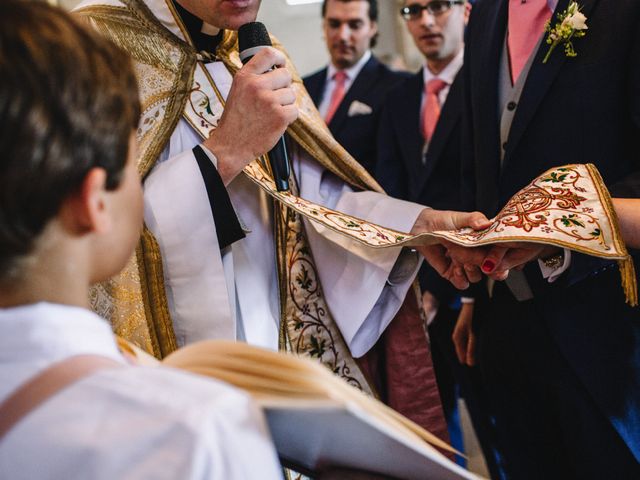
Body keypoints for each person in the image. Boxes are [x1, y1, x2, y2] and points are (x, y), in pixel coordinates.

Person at [75, 0, 489, 438]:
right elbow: (89, 233)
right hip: (195, 371)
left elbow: (309, 198)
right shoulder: (93, 49)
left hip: (295, 354)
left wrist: (413, 227)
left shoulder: (259, 49)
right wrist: (224, 152)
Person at [0, 2, 282, 478]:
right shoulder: (200, 434)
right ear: (94, 201)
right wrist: (223, 154)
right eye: (132, 164)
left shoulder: (262, 53)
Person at [452, 0, 640, 477]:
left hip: (601, 318)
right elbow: (483, 158)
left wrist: (555, 227)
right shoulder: (487, 13)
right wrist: (475, 296)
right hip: (503, 319)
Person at [376, 1, 502, 476]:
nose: (426, 22)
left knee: (497, 427)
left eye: (438, 7)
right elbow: (393, 190)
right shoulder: (398, 97)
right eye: (412, 9)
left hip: (477, 281)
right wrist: (412, 279)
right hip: (419, 283)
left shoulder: (489, 85)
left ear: (466, 11)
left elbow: (484, 189)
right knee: (433, 423)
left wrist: (456, 289)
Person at [303, 0, 409, 175]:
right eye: (334, 24)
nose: (343, 36)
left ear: (372, 27)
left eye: (355, 25)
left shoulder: (398, 86)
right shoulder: (304, 87)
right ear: (324, 26)